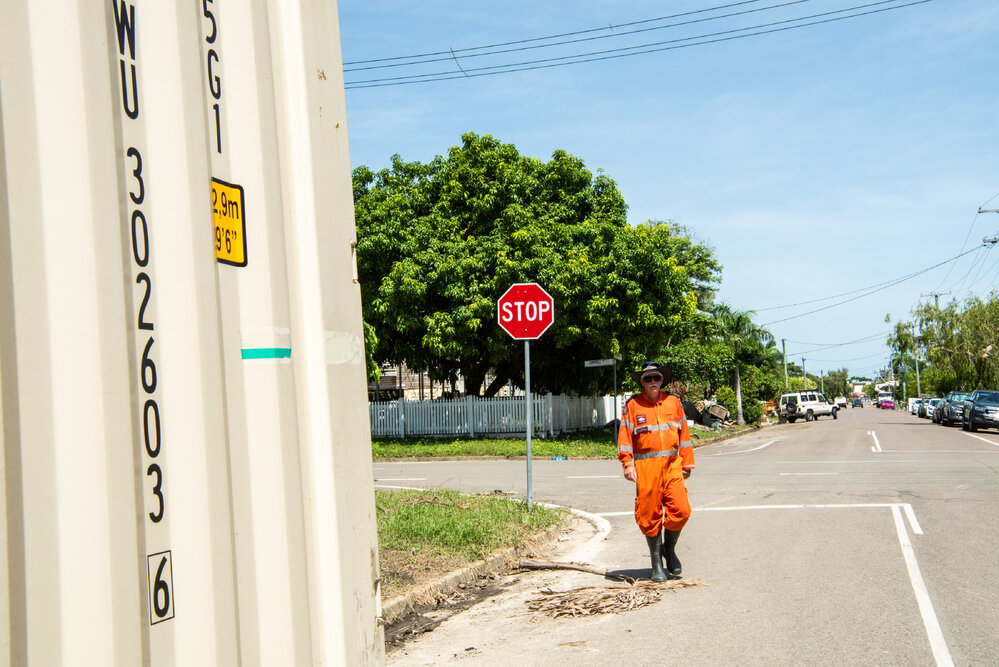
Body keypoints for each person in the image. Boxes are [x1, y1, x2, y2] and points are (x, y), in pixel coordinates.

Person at [618, 361, 693, 582]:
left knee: (681, 510)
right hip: (646, 468)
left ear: (662, 380)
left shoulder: (673, 402)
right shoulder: (633, 405)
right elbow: (624, 439)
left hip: (672, 465)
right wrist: (627, 464)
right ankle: (656, 564)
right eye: (648, 378)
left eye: (656, 378)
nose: (652, 382)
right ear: (641, 382)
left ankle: (668, 550)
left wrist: (687, 463)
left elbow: (684, 435)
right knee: (649, 516)